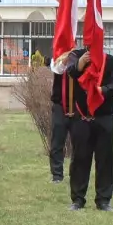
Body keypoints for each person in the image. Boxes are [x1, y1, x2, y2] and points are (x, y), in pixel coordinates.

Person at [64, 46, 113, 211]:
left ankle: (103, 200)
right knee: (79, 159)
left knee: (105, 159)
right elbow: (69, 72)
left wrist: (102, 90)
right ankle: (77, 199)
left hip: (103, 117)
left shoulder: (111, 61)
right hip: (82, 118)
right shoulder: (76, 55)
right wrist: (80, 63)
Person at [47, 52, 74, 185]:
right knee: (57, 142)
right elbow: (57, 70)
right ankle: (57, 175)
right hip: (60, 106)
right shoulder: (56, 59)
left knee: (79, 143)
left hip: (76, 107)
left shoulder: (79, 58)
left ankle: (76, 173)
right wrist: (64, 61)